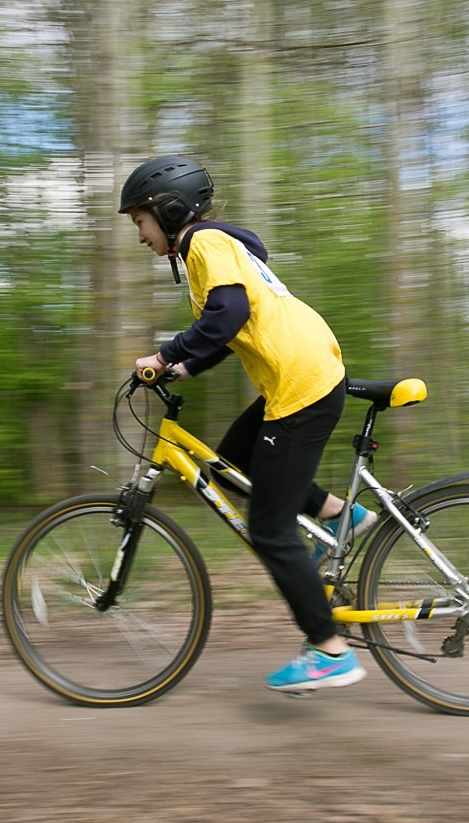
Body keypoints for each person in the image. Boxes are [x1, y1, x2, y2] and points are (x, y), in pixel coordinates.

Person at [119, 155, 375, 693]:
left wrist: (164, 357)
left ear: (167, 211)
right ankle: (339, 515)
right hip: (301, 375)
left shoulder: (202, 243)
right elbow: (231, 326)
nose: (140, 237)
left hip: (299, 384)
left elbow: (226, 316)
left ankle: (329, 650)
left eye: (140, 222)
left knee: (269, 529)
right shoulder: (218, 247)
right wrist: (186, 363)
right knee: (232, 463)